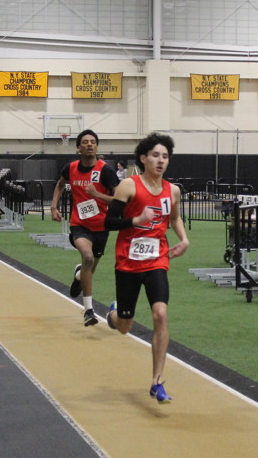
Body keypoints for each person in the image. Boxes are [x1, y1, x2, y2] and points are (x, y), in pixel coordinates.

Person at [103, 132, 189, 404]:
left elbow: (174, 218)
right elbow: (109, 222)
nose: (161, 161)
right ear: (143, 158)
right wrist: (136, 220)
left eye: (165, 156)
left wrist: (183, 239)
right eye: (155, 155)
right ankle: (114, 315)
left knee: (160, 314)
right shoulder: (128, 186)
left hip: (157, 260)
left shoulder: (172, 190)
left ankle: (157, 382)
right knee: (124, 327)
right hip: (128, 263)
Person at [50, 129, 120, 327]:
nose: (89, 144)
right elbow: (60, 185)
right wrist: (54, 206)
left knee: (89, 268)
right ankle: (89, 310)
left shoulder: (106, 171)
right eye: (85, 142)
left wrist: (97, 195)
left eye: (93, 142)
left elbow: (119, 200)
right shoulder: (71, 168)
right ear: (78, 147)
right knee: (87, 257)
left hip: (101, 227)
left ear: (97, 147)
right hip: (79, 225)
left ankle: (79, 275)